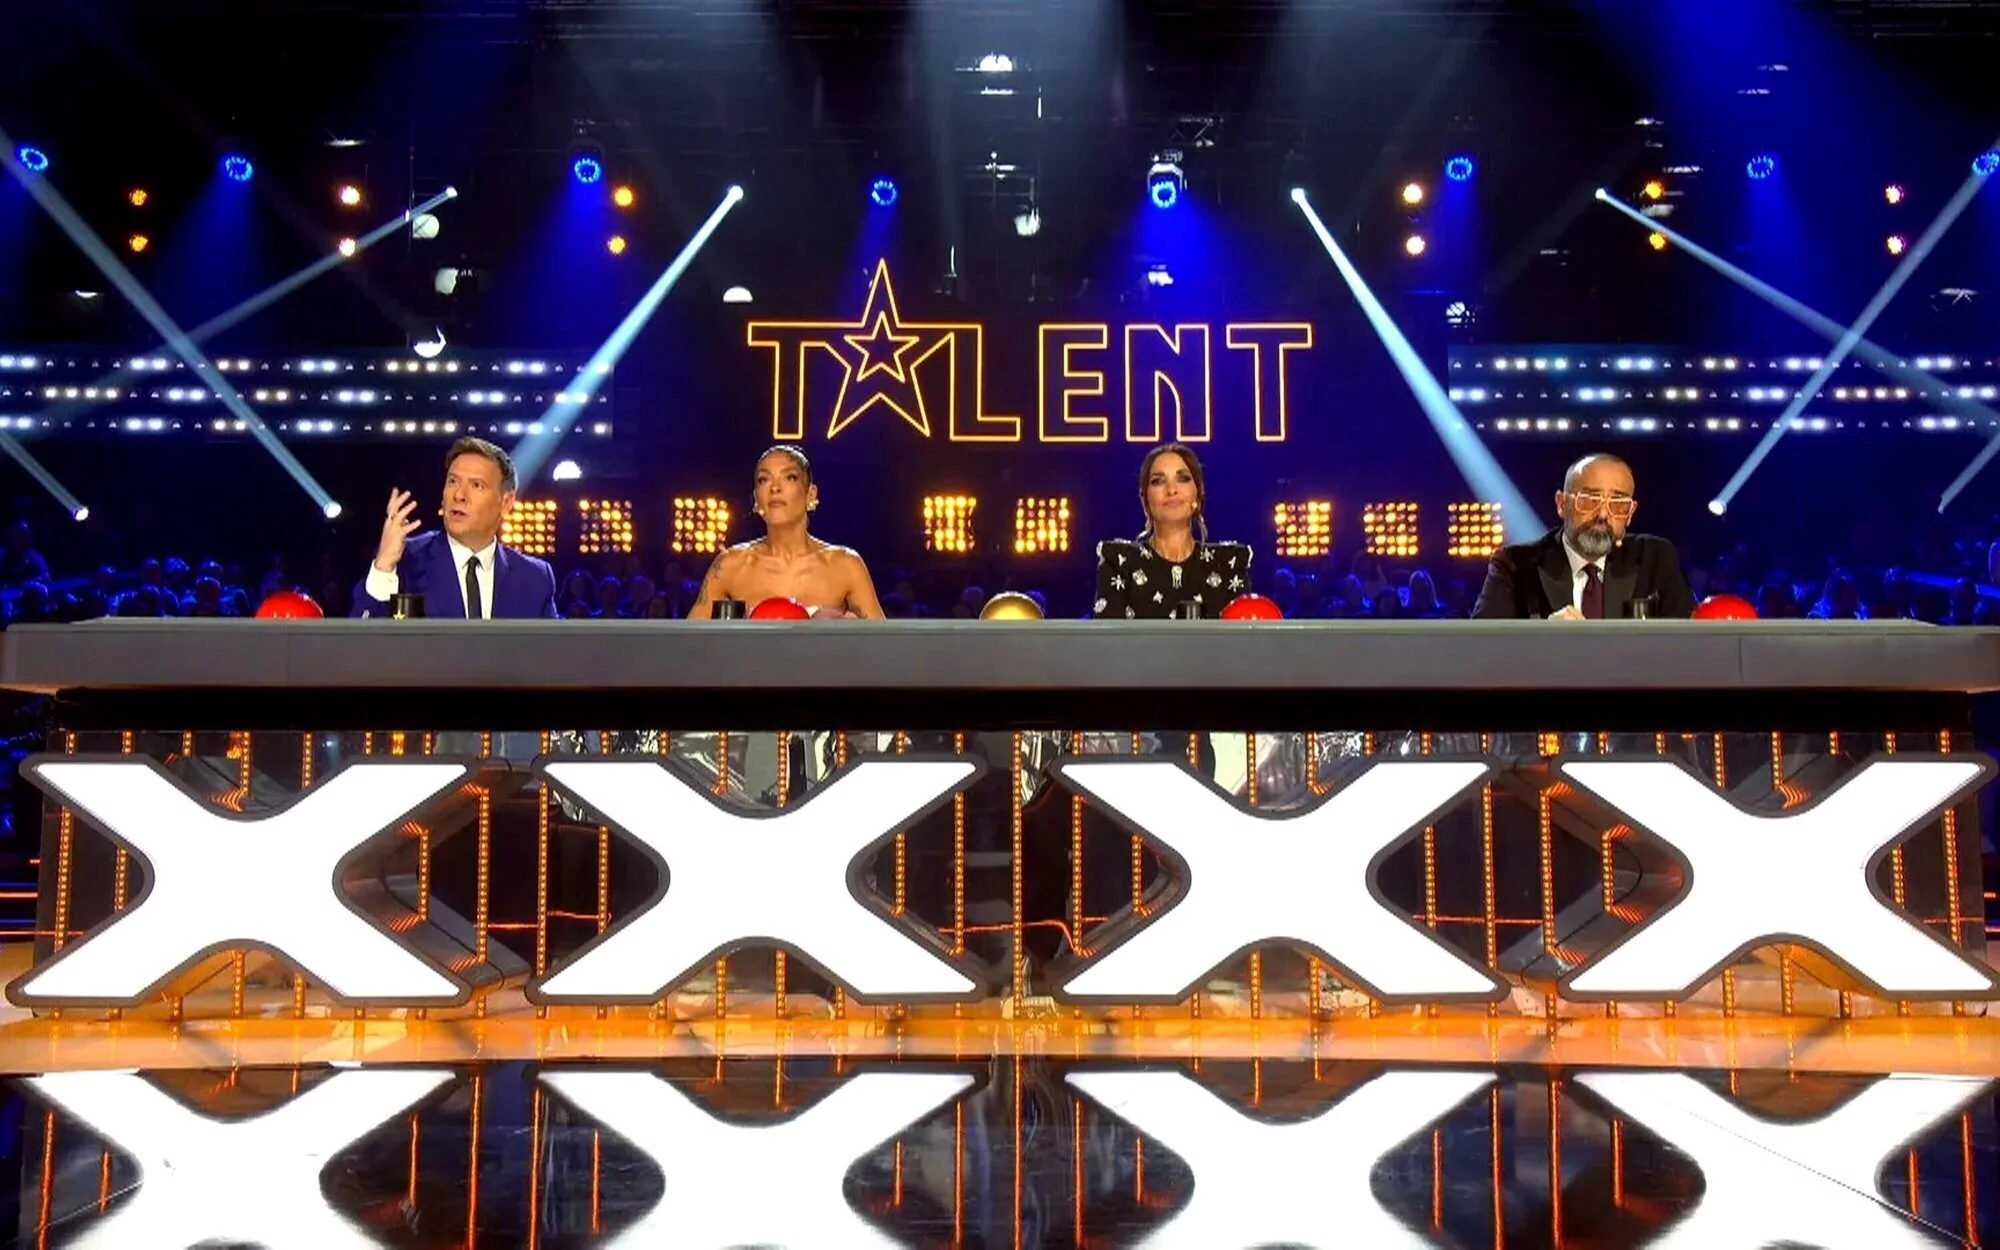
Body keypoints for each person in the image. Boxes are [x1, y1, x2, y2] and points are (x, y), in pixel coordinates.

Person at [352, 436, 559, 619]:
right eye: (452, 481)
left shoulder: (535, 578)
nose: (459, 495)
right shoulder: (406, 561)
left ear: (506, 502)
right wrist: (383, 567)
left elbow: (553, 649)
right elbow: (359, 641)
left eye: (477, 485)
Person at [1472, 453, 1694, 620]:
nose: (1603, 514)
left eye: (1618, 503)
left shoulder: (1656, 559)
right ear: (1562, 504)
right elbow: (1480, 647)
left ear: (1630, 513)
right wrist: (1542, 639)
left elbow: (1689, 645)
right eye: (1589, 500)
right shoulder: (1515, 566)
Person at [688, 445, 885, 619]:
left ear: (810, 494)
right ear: (756, 499)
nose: (775, 488)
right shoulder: (730, 565)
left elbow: (882, 643)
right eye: (764, 479)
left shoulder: (845, 566)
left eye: (790, 477)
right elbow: (688, 641)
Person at [1093, 443, 1251, 619]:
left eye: (1183, 479)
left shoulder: (1229, 564)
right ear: (1145, 500)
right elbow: (1108, 635)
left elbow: (1243, 635)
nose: (1171, 490)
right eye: (1158, 481)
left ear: (1198, 494)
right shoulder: (1119, 563)